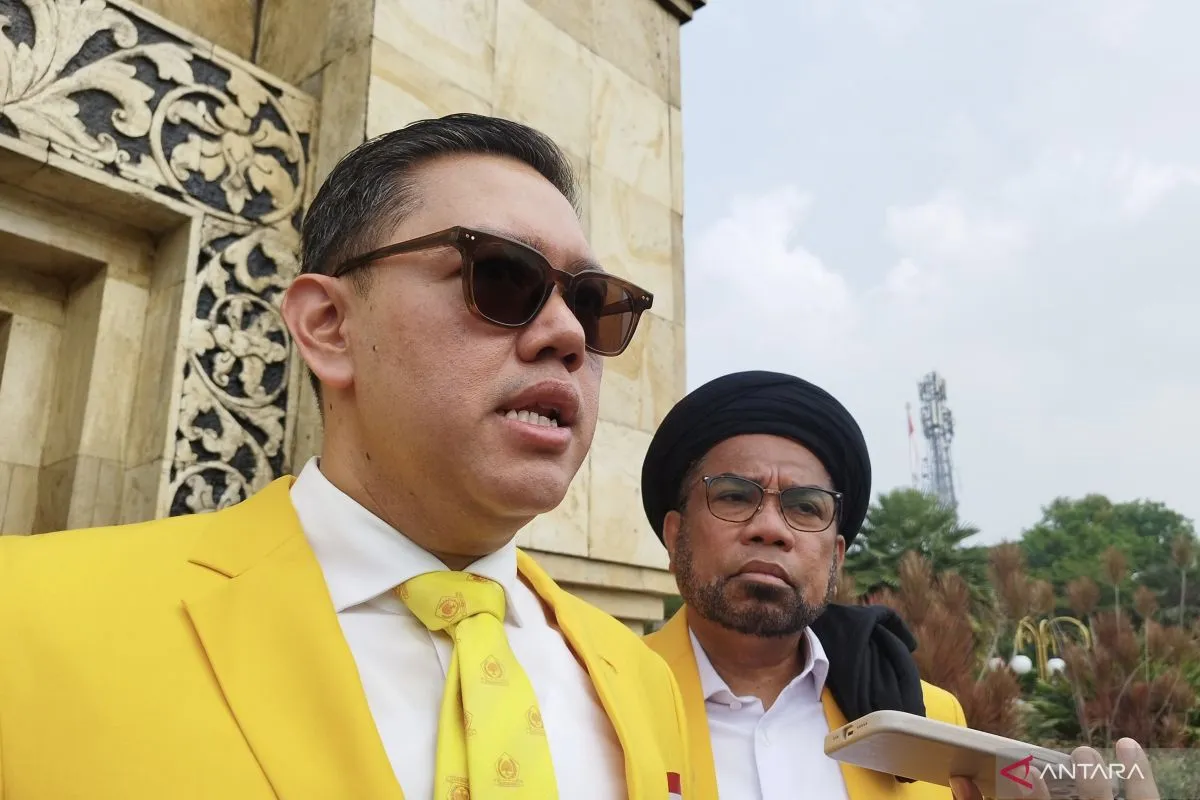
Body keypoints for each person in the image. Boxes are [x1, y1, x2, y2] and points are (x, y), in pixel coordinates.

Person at [0, 115, 691, 800]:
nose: (568, 334)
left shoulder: (639, 679)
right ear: (328, 326)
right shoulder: (30, 613)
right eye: (503, 275)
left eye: (592, 303)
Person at [640, 370, 1161, 800]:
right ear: (676, 535)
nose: (771, 528)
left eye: (805, 507)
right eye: (734, 496)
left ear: (835, 558)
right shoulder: (608, 700)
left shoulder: (925, 722)